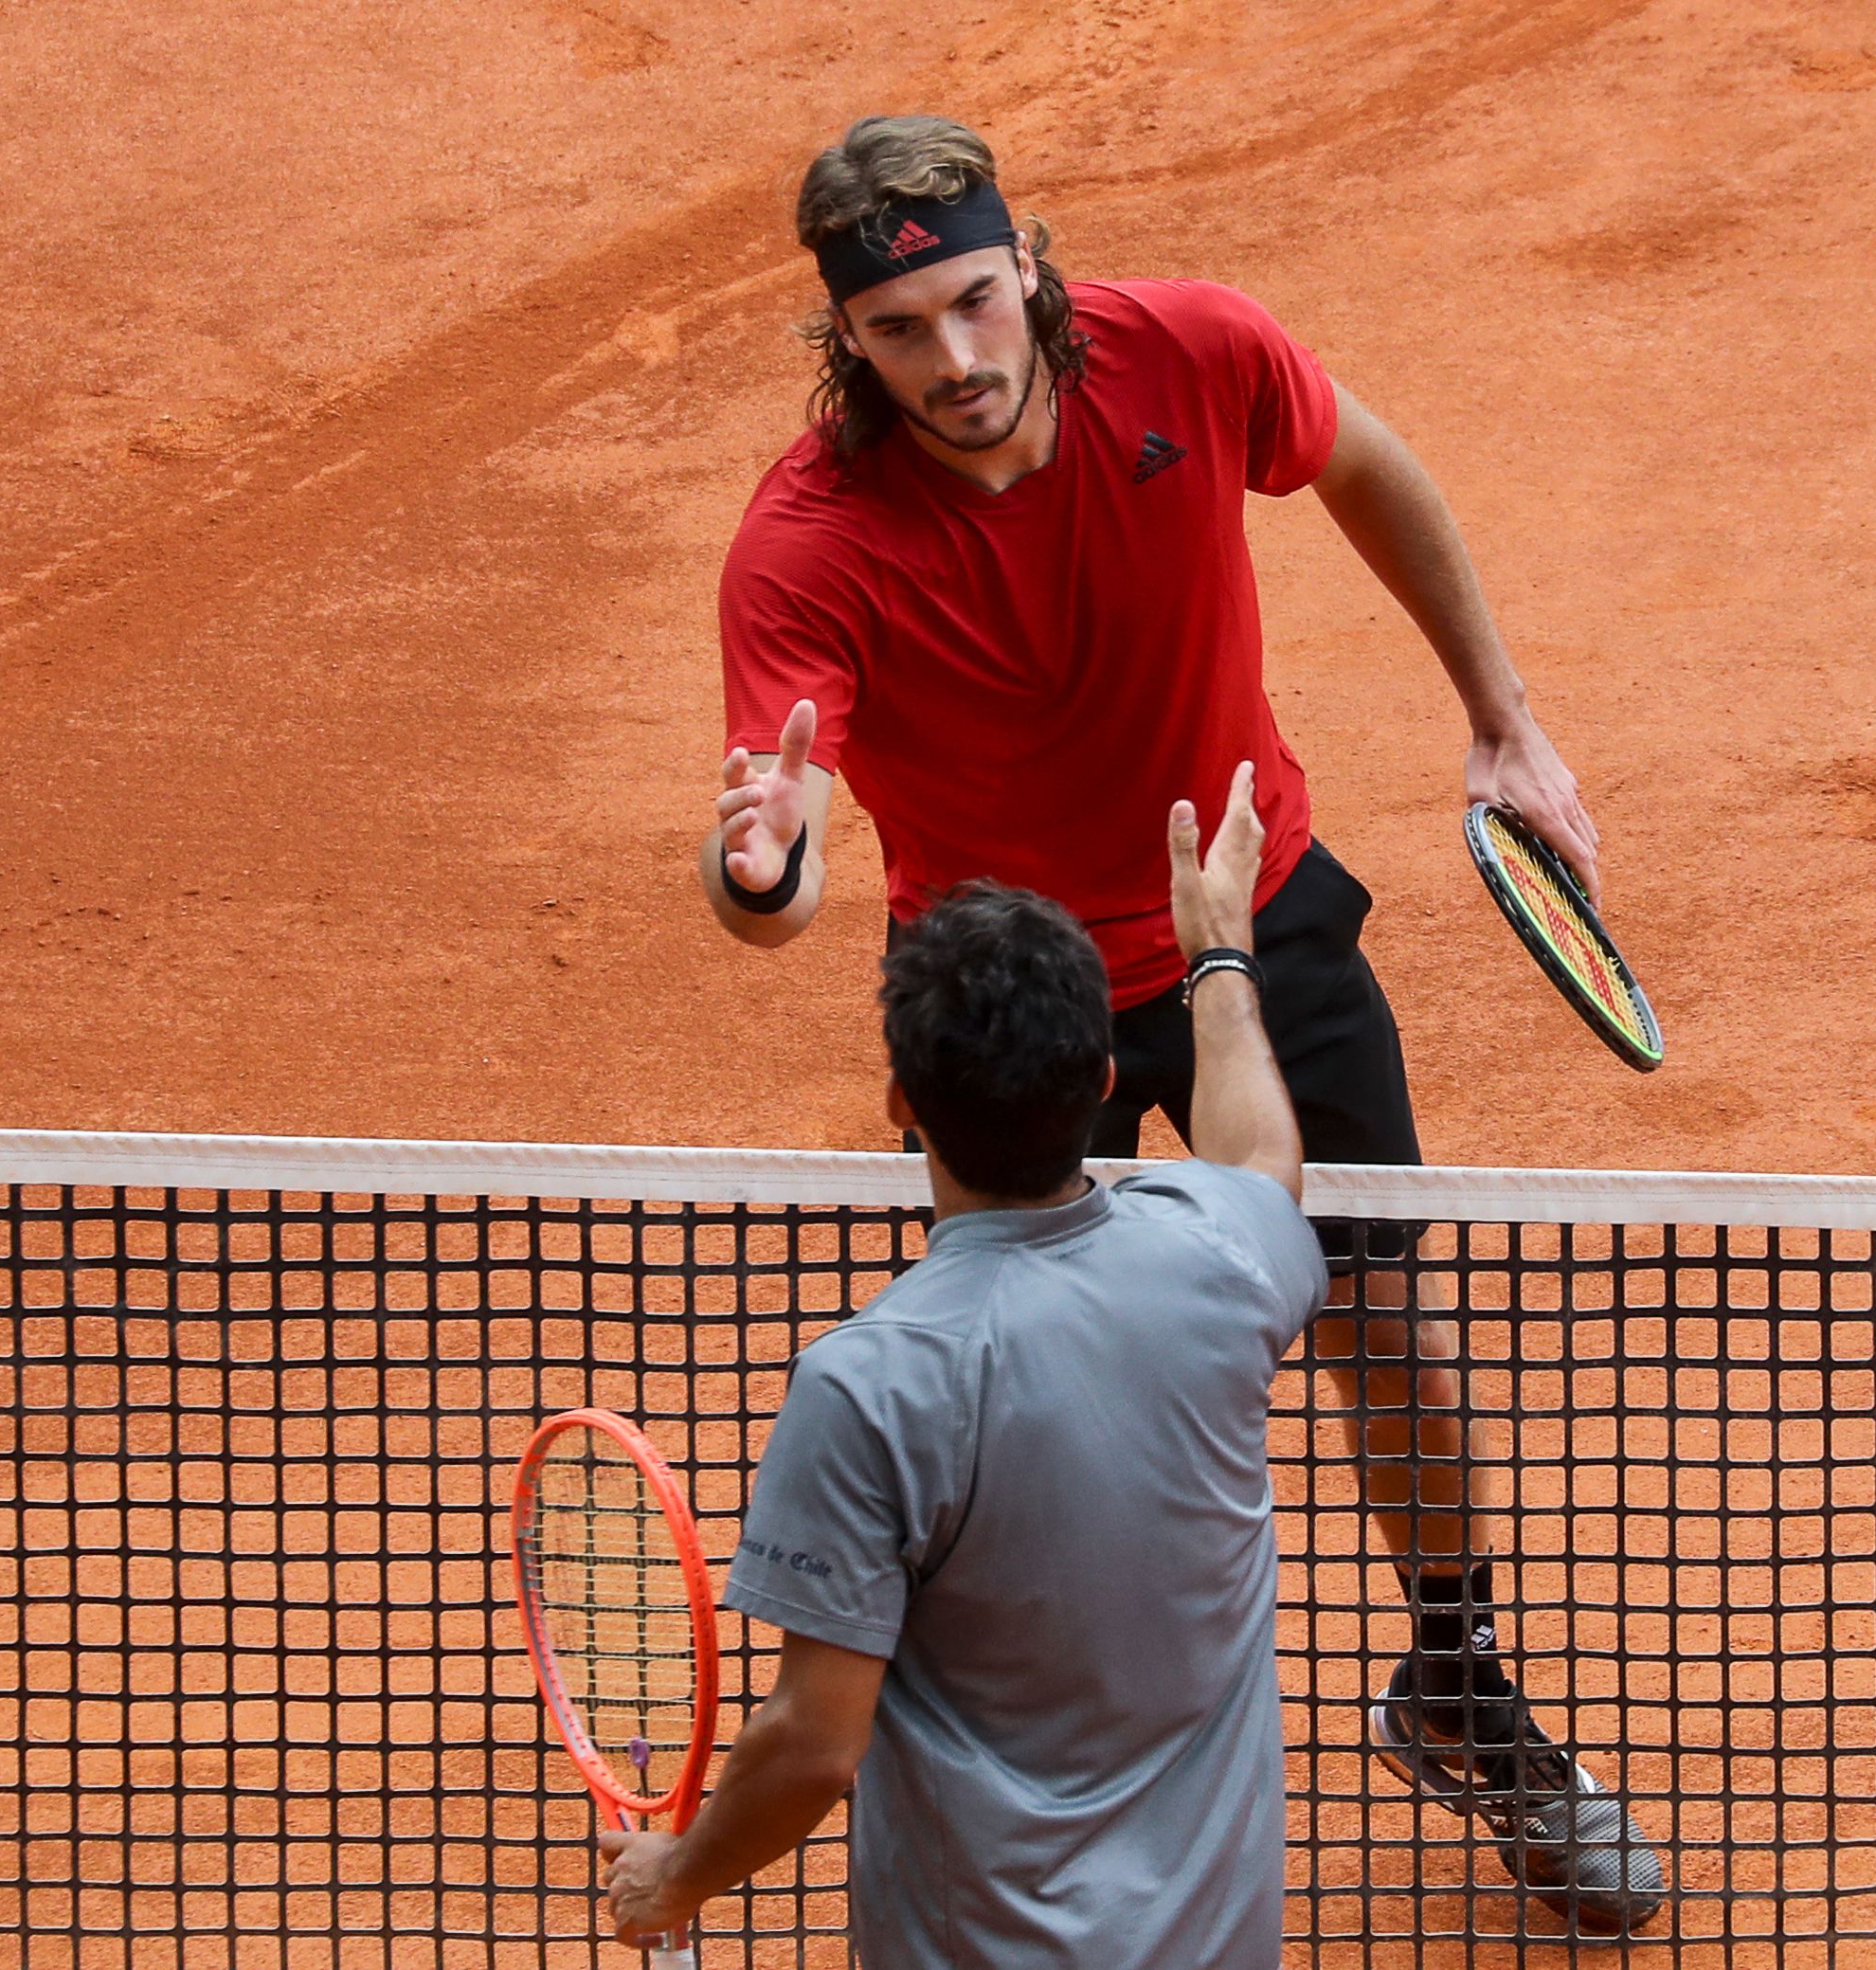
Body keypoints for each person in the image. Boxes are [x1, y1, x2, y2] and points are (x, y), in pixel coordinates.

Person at [697, 115, 1664, 1928]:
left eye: (977, 301)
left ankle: (1456, 1677)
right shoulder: (806, 538)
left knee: (1385, 1327)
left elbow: (1365, 464)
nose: (956, 361)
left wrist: (1500, 718)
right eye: (900, 330)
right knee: (1036, 1384)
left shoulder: (1191, 353)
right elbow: (783, 860)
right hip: (1004, 983)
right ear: (849, 338)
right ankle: (1011, 1732)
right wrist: (757, 868)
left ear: (1031, 268)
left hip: (1251, 904)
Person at [601, 771, 1321, 1963]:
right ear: (1099, 1087)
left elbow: (815, 1746)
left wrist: (676, 1877)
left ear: (902, 1102)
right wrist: (1220, 955)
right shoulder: (1223, 1259)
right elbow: (1259, 1152)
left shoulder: (871, 1384)